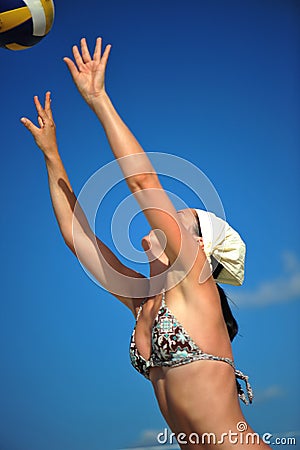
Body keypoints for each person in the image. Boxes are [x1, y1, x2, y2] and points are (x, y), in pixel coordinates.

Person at [21, 38, 271, 449]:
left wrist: (99, 99)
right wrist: (51, 153)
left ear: (199, 249)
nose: (169, 217)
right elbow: (76, 237)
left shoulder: (194, 279)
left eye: (182, 217)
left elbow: (143, 182)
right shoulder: (143, 302)